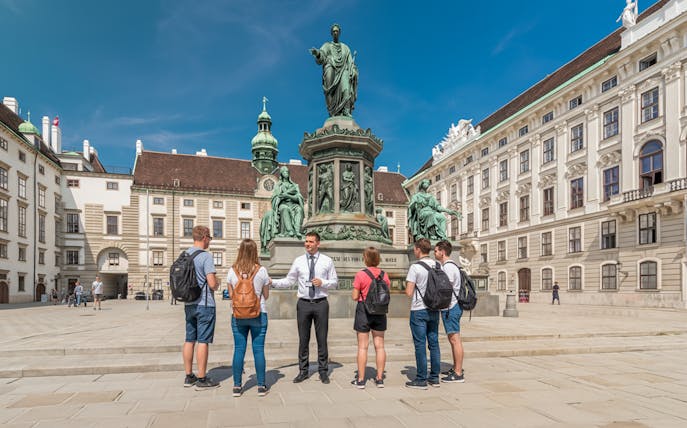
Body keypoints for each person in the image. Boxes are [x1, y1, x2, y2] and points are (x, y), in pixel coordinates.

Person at [272, 232, 338, 384]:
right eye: (306, 241)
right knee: (303, 339)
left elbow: (334, 282)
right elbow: (289, 280)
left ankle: (323, 371)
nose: (307, 244)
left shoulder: (327, 261)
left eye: (311, 241)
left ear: (318, 244)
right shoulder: (299, 261)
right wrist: (272, 282)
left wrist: (323, 282)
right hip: (303, 303)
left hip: (321, 303)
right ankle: (303, 371)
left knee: (322, 339)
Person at [227, 239, 271, 397]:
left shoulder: (232, 271)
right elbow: (265, 295)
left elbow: (231, 295)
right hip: (259, 314)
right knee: (258, 350)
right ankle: (261, 385)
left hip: (238, 315)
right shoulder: (262, 270)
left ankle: (237, 386)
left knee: (239, 349)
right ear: (255, 252)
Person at [182, 225, 220, 390]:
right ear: (204, 237)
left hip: (188, 303)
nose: (210, 241)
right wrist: (217, 283)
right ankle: (202, 378)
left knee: (189, 339)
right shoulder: (206, 257)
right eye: (209, 238)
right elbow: (212, 283)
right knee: (203, 341)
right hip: (204, 304)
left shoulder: (185, 254)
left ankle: (189, 376)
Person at [404, 238, 441, 389]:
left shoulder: (415, 267)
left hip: (419, 309)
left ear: (419, 249)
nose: (414, 250)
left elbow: (408, 292)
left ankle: (421, 379)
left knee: (420, 345)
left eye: (414, 248)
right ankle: (434, 377)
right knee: (434, 343)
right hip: (435, 308)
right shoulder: (438, 265)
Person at [351, 247, 388, 389]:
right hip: (380, 311)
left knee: (362, 347)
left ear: (365, 258)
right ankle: (379, 379)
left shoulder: (360, 274)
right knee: (380, 346)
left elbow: (355, 297)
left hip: (364, 311)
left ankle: (361, 380)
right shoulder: (384, 275)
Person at [310, 23, 358, 117]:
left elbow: (350, 63)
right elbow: (322, 55)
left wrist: (353, 69)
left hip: (344, 70)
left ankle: (346, 110)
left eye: (337, 31)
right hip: (331, 68)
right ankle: (333, 111)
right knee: (329, 82)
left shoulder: (345, 48)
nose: (335, 33)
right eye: (333, 31)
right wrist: (318, 54)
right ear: (331, 33)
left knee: (346, 89)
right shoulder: (327, 45)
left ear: (339, 33)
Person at [434, 240, 465, 383]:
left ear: (442, 252)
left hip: (450, 307)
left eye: (436, 251)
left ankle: (458, 373)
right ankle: (456, 367)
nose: (434, 253)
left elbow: (444, 288)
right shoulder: (451, 266)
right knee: (453, 339)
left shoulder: (448, 268)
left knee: (454, 339)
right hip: (452, 307)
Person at [259, 166, 305, 252]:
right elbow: (274, 198)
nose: (286, 173)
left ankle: (297, 230)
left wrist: (288, 195)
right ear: (281, 174)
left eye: (287, 172)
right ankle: (289, 231)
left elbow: (299, 197)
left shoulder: (295, 185)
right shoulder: (278, 185)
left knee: (299, 209)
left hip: (294, 204)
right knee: (284, 209)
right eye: (284, 172)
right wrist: (280, 197)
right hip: (283, 204)